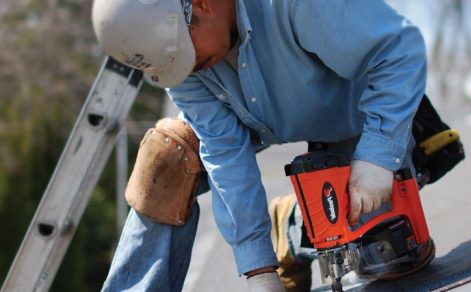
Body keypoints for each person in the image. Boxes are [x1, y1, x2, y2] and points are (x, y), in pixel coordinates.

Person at [92, 0, 435, 290]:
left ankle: (290, 224)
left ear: (201, 4)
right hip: (255, 122)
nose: (184, 70)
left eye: (182, 55)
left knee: (385, 254)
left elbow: (400, 52)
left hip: (353, 118)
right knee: (170, 156)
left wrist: (377, 157)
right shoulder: (180, 62)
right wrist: (257, 265)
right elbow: (224, 150)